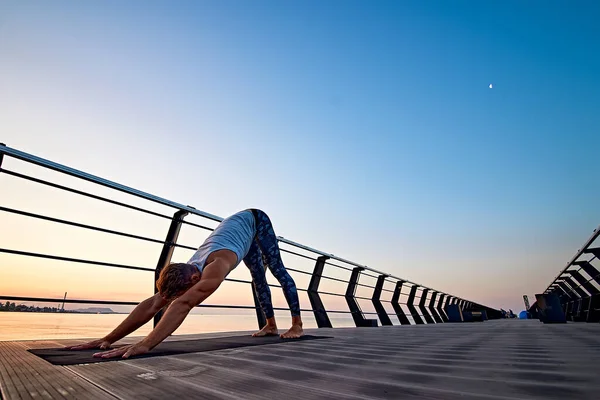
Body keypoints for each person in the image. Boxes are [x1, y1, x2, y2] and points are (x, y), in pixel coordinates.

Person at [66, 209, 304, 359]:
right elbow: (153, 304)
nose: (179, 297)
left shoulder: (217, 264)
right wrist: (108, 339)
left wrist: (145, 345)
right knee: (257, 278)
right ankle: (270, 326)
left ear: (193, 279)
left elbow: (185, 302)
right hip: (237, 229)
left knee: (276, 270)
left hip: (256, 220)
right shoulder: (188, 268)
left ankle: (297, 324)